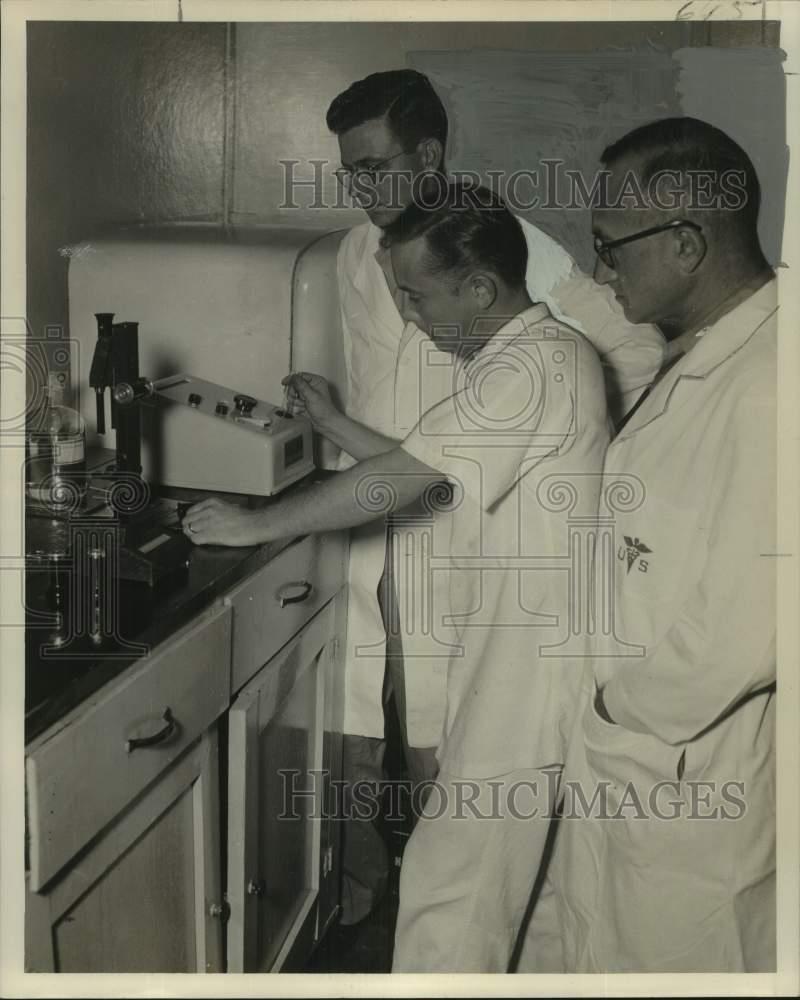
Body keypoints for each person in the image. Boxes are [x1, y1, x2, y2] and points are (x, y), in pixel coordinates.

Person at [182, 186, 610, 970]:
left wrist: (252, 525)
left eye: (415, 294)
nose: (408, 315)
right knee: (528, 899)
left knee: (455, 890)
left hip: (532, 670)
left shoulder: (535, 365)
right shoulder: (525, 357)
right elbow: (435, 466)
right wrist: (335, 423)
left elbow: (399, 482)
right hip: (526, 654)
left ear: (479, 288)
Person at [318, 68, 665, 926]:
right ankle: (364, 914)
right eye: (349, 173)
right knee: (366, 729)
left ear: (429, 154)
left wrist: (559, 443)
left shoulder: (506, 243)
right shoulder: (352, 255)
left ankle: (449, 924)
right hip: (372, 519)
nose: (361, 190)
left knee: (459, 765)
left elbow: (633, 347)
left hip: (467, 525)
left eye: (374, 168)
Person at [544, 117, 777, 972]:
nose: (601, 270)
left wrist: (623, 711)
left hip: (684, 759)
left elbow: (750, 625)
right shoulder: (706, 348)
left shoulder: (770, 382)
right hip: (643, 757)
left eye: (609, 246)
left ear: (685, 242)